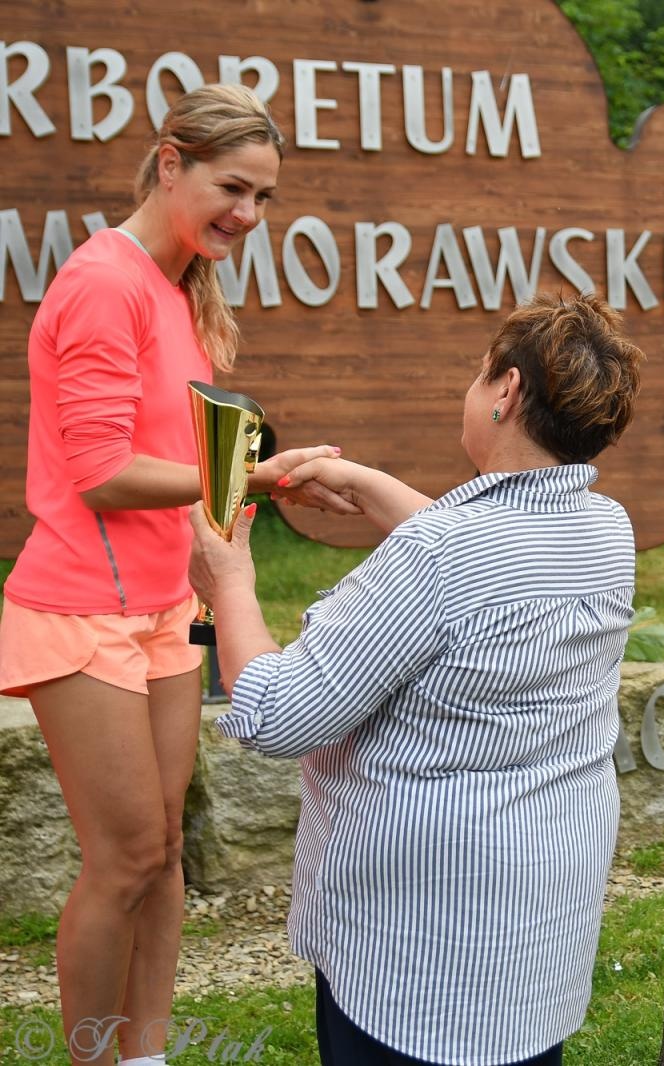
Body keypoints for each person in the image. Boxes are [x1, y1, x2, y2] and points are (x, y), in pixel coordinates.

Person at [187, 293, 643, 1066]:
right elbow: (488, 560)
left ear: (506, 392)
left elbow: (275, 712)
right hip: (537, 939)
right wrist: (368, 484)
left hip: (422, 960)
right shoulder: (606, 529)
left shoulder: (437, 557)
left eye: (477, 376)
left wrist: (228, 578)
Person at [0, 84, 347, 1065]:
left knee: (162, 864)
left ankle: (143, 1056)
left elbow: (181, 463)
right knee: (122, 863)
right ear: (170, 162)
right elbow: (103, 473)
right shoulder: (104, 280)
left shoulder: (178, 282)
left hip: (163, 608)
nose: (248, 213)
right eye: (233, 186)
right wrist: (259, 472)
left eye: (266, 197)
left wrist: (263, 484)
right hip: (82, 610)